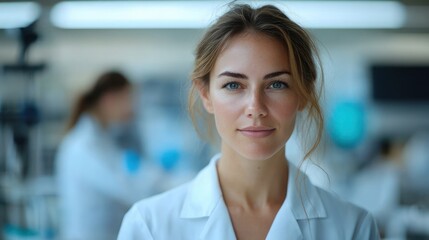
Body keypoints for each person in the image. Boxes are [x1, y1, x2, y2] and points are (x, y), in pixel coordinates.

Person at [118, 4, 380, 240]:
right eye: (233, 85)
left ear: (303, 93)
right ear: (206, 95)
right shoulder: (149, 226)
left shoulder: (352, 228)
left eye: (277, 84)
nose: (255, 108)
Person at [56, 71, 158, 240]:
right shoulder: (84, 146)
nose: (132, 108)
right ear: (109, 100)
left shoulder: (101, 139)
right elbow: (129, 188)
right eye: (128, 99)